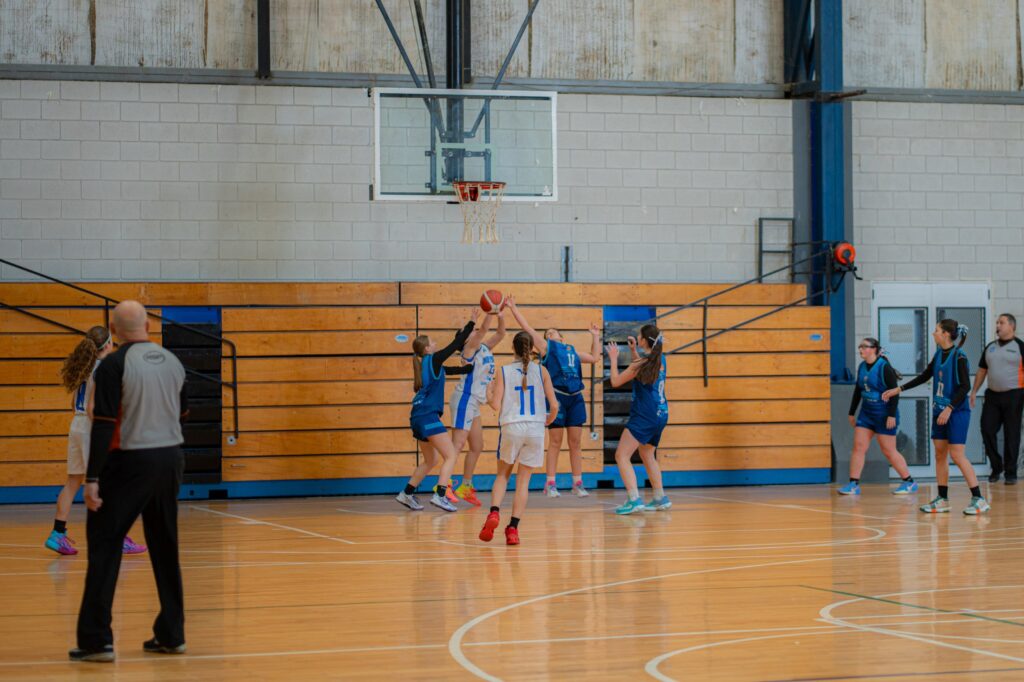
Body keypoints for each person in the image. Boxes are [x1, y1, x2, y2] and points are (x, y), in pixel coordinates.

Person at [71, 301, 189, 662]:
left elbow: (104, 423)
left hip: (129, 460)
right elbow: (183, 411)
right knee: (165, 545)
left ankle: (96, 640)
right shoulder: (173, 361)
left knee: (105, 545)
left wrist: (92, 477)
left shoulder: (113, 365)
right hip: (170, 458)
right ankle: (172, 634)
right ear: (149, 325)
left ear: (113, 329)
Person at [46, 326, 147, 556]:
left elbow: (74, 405)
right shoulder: (104, 369)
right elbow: (95, 409)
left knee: (73, 482)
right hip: (92, 428)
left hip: (77, 426)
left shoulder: (84, 367)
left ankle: (57, 534)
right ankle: (117, 538)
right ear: (109, 343)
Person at [881, 320, 990, 515]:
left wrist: (949, 408)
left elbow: (965, 386)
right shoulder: (939, 353)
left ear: (946, 334)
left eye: (937, 330)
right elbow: (925, 375)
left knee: (957, 455)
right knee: (940, 453)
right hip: (939, 410)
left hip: (956, 412)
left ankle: (979, 499)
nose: (933, 333)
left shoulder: (959, 357)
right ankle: (942, 499)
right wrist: (899, 389)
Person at [505, 295, 601, 497]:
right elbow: (528, 328)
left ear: (562, 337)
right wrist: (513, 308)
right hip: (557, 397)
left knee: (575, 443)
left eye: (553, 331)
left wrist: (595, 336)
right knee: (555, 442)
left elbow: (594, 357)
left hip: (575, 398)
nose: (549, 334)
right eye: (547, 333)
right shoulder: (547, 347)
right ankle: (550, 483)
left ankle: (577, 483)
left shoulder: (572, 352)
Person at [479, 332, 558, 545]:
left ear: (512, 348)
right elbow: (554, 405)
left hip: (512, 427)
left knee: (502, 476)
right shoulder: (542, 370)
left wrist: (488, 393)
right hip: (535, 429)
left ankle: (494, 512)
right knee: (523, 482)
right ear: (532, 348)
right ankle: (513, 529)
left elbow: (495, 405)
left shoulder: (504, 371)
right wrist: (548, 420)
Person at [396, 312, 478, 512]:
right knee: (450, 455)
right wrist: (471, 323)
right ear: (427, 348)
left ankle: (406, 493)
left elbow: (449, 371)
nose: (434, 344)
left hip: (417, 416)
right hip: (427, 415)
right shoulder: (432, 359)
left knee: (431, 460)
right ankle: (440, 495)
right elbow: (454, 344)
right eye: (432, 342)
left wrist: (467, 369)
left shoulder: (431, 365)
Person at [838, 337, 917, 496]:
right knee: (859, 447)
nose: (861, 349)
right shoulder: (862, 366)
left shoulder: (884, 368)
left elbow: (894, 393)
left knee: (889, 451)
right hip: (866, 414)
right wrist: (852, 412)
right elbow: (858, 390)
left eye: (864, 346)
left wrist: (891, 415)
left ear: (874, 349)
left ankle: (909, 482)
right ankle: (853, 484)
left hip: (884, 414)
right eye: (860, 346)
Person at [606, 325, 671, 515]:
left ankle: (634, 499)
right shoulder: (659, 359)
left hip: (644, 415)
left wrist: (613, 359)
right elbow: (642, 369)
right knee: (647, 454)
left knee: (621, 455)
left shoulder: (642, 363)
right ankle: (659, 497)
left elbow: (616, 381)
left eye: (639, 336)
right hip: (661, 413)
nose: (637, 337)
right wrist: (634, 351)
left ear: (644, 340)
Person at [450, 311, 506, 507]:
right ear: (465, 339)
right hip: (464, 399)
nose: (475, 331)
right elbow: (483, 330)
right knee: (457, 445)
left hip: (474, 402)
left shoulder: (483, 347)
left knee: (477, 446)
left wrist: (500, 314)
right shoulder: (469, 349)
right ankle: (443, 486)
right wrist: (490, 310)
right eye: (471, 331)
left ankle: (465, 486)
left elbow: (501, 333)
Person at [969, 313, 1024, 485]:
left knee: (1012, 434)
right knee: (987, 429)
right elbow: (982, 370)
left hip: (1014, 395)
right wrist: (974, 391)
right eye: (997, 322)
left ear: (1011, 326)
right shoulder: (990, 347)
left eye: (1002, 322)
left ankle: (1010, 473)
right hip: (992, 395)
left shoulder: (1020, 346)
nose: (998, 325)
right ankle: (996, 466)